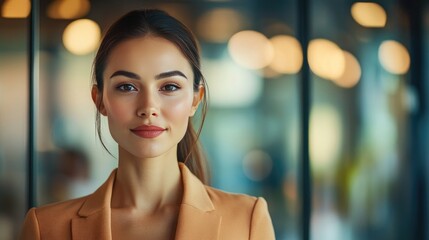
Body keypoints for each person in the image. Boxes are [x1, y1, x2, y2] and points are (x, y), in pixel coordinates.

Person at [20, 9, 275, 239]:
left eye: (169, 87)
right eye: (127, 87)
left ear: (195, 99)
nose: (148, 107)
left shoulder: (247, 220)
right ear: (100, 100)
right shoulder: (46, 228)